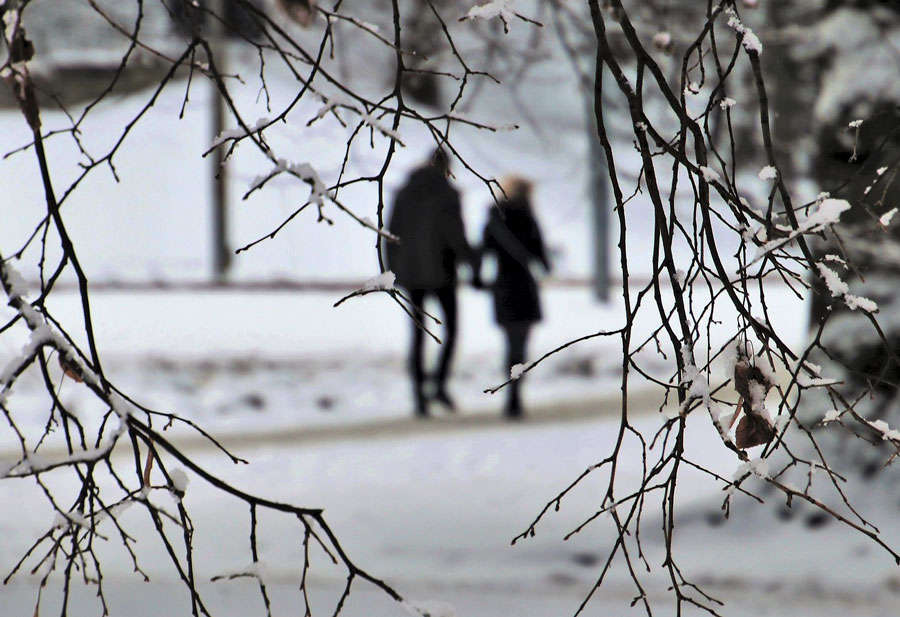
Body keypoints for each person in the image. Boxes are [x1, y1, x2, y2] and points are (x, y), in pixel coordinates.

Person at [386, 148, 478, 417]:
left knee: (417, 335)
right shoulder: (448, 195)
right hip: (443, 274)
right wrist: (472, 263)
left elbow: (390, 235)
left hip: (411, 275)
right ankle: (438, 384)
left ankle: (418, 397)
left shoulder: (403, 193)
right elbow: (455, 235)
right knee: (451, 329)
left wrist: (393, 271)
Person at [479, 176, 551, 419]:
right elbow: (542, 257)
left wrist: (478, 279)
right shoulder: (528, 218)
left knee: (510, 343)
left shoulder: (494, 219)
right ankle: (515, 396)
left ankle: (511, 394)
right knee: (520, 346)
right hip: (524, 287)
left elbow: (483, 251)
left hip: (503, 287)